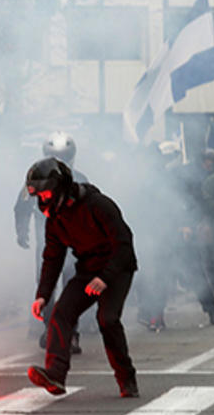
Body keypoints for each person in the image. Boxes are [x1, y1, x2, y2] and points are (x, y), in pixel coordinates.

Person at [24, 157, 139, 398]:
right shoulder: (54, 220)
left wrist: (106, 278)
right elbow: (52, 258)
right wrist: (43, 295)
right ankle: (55, 374)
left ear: (59, 186)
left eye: (44, 194)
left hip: (117, 270)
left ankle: (126, 379)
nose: (42, 201)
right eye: (38, 197)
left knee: (107, 319)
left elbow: (124, 245)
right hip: (87, 271)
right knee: (61, 313)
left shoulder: (99, 205)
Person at [14, 131, 88, 351]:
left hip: (73, 245)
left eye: (64, 156)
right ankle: (50, 329)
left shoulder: (81, 179)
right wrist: (22, 231)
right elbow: (22, 206)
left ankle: (71, 333)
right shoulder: (37, 177)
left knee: (71, 287)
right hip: (47, 244)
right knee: (46, 287)